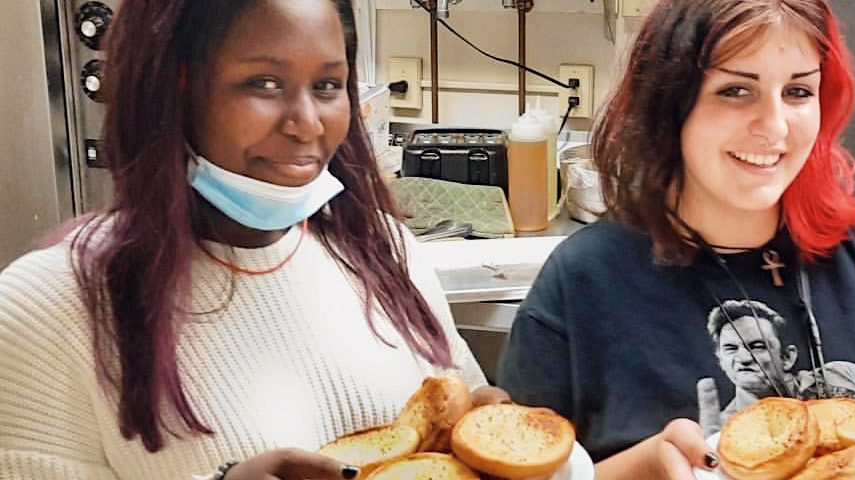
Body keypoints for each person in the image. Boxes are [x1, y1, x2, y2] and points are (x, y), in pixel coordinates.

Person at [0, 0, 504, 478]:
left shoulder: (385, 253)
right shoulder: (46, 309)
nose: (307, 123)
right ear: (170, 91)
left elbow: (466, 426)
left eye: (328, 85)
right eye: (264, 84)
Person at [497, 0, 855, 478]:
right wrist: (639, 471)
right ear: (669, 103)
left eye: (798, 92)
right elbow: (512, 464)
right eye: (736, 90)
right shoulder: (585, 280)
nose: (775, 126)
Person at [696, 299, 855, 436]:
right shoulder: (725, 432)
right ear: (720, 359)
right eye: (731, 349)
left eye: (757, 346)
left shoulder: (843, 375)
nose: (743, 358)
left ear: (787, 357)